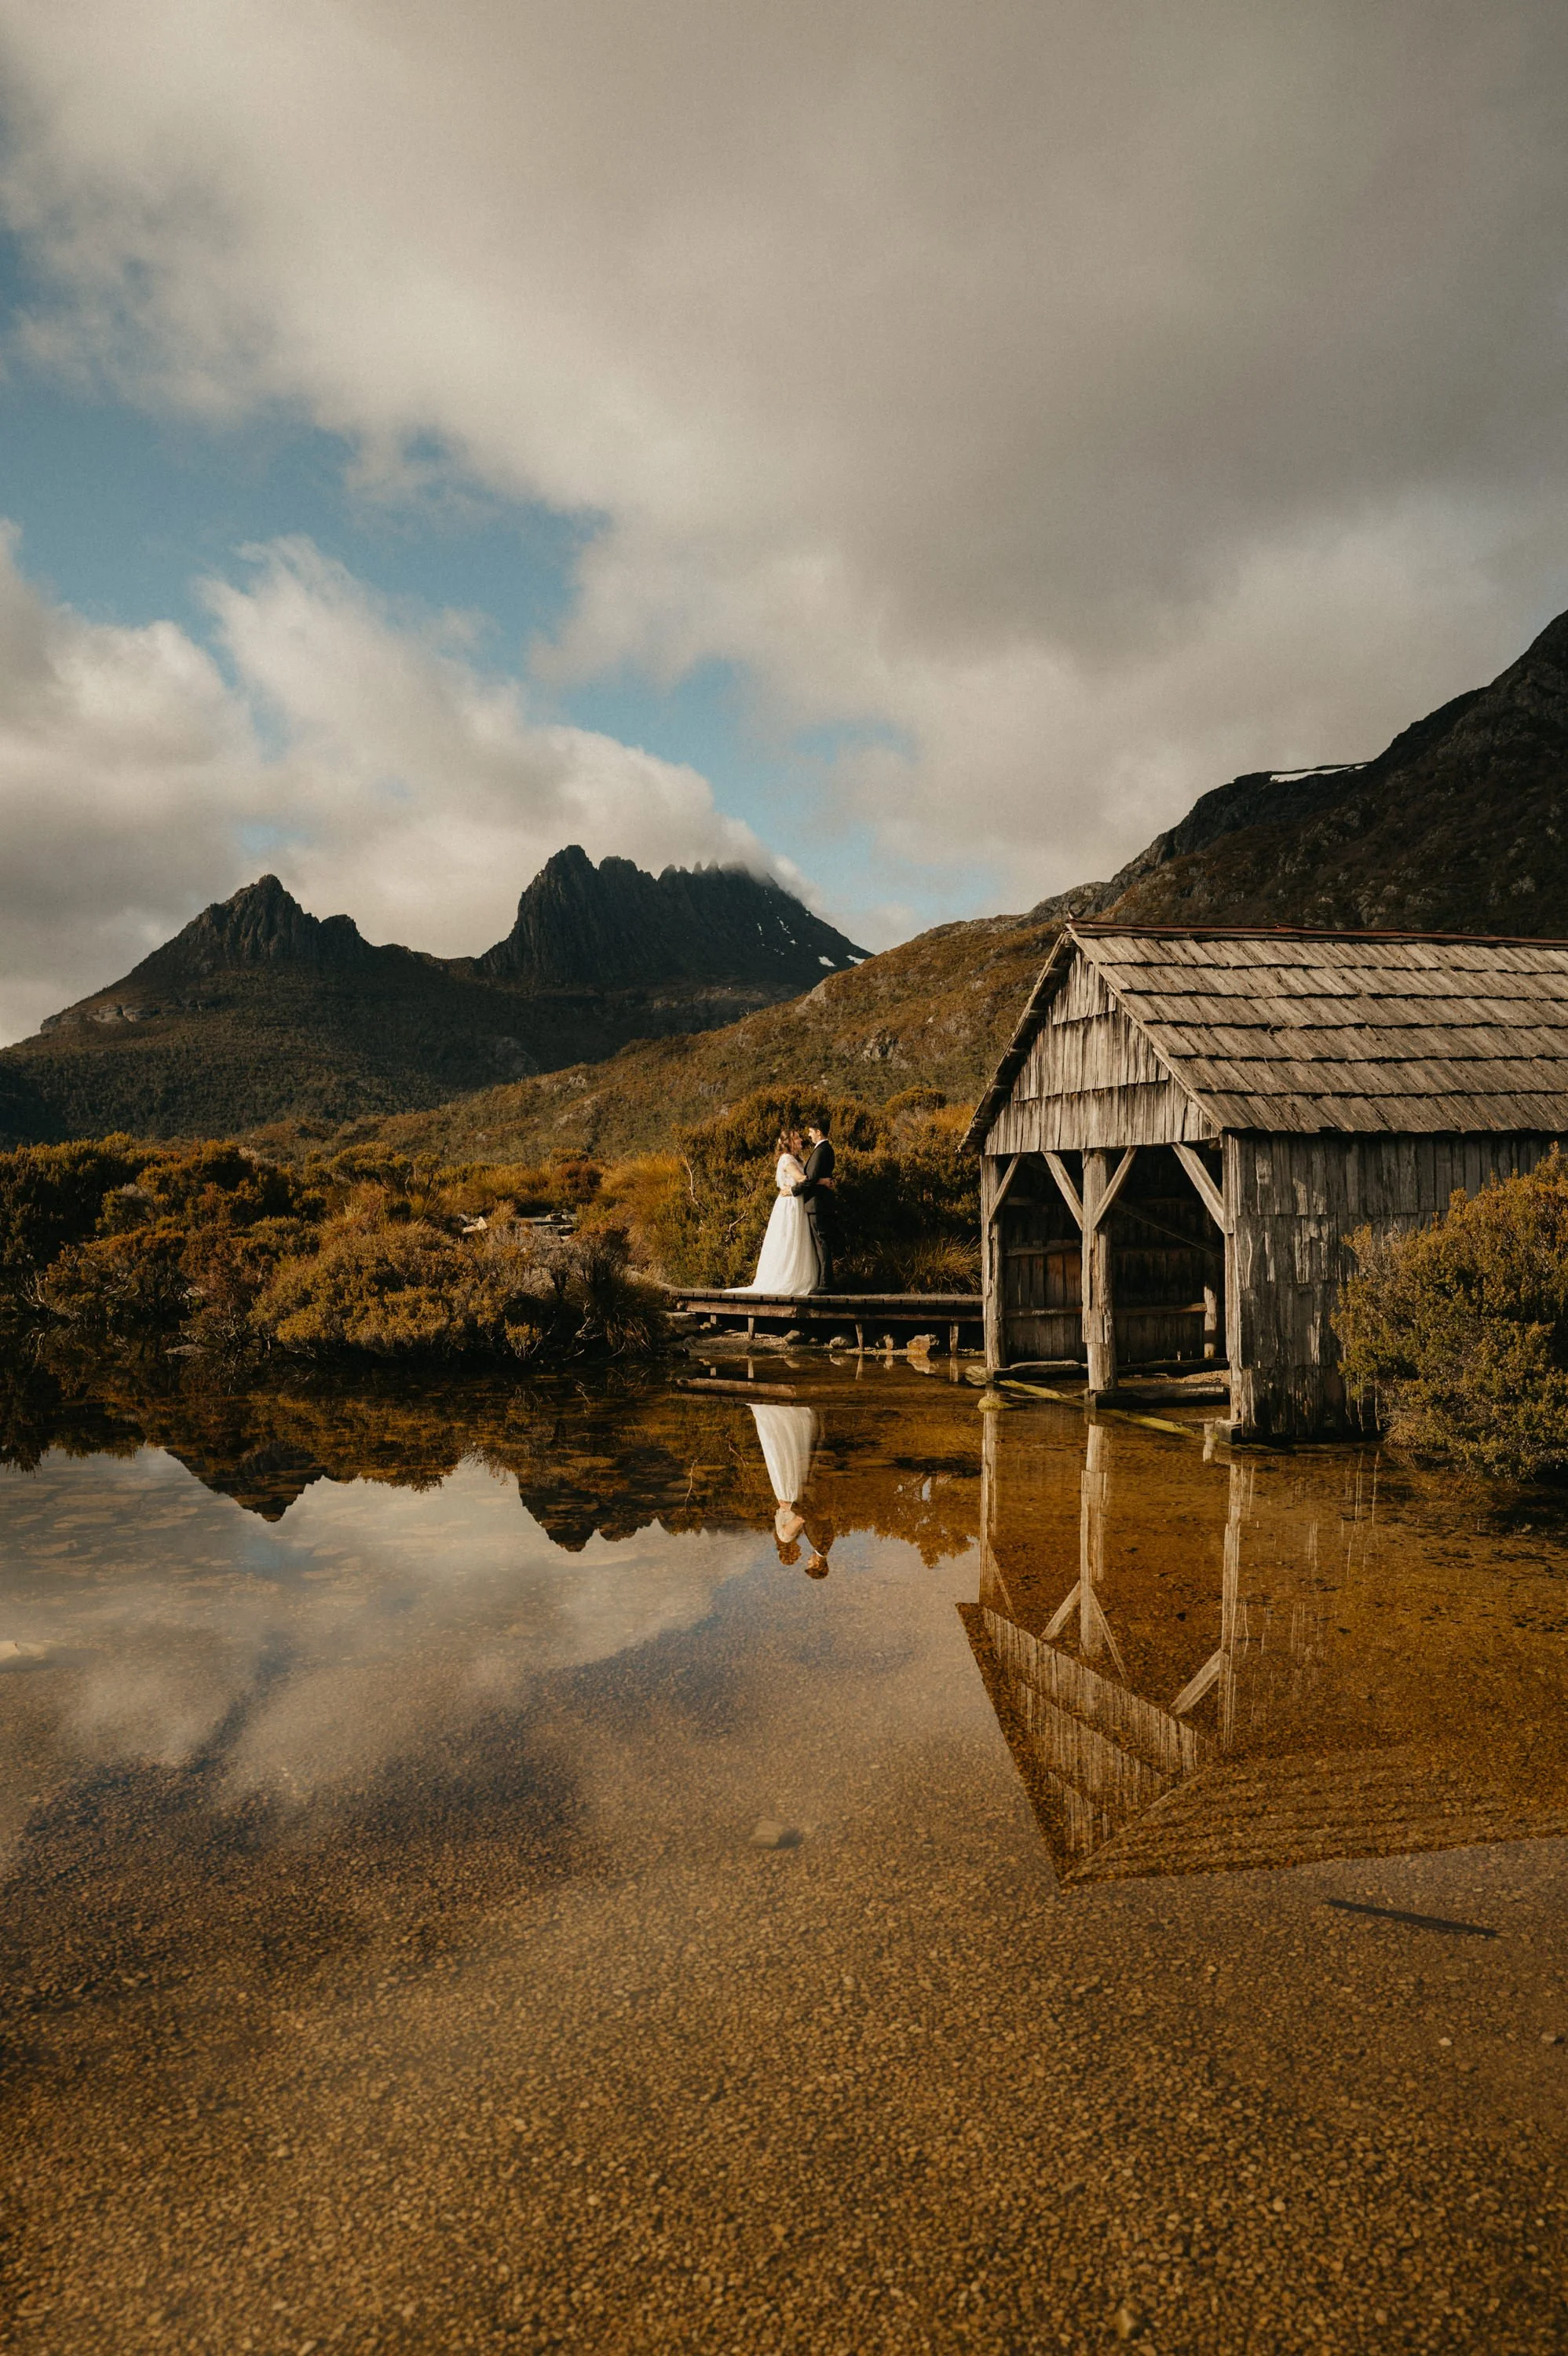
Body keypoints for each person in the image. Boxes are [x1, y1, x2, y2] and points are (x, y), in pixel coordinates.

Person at [727, 1129, 821, 1295]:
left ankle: (800, 1277)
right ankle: (786, 1278)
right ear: (789, 1142)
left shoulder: (798, 1158)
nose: (801, 1140)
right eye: (797, 1138)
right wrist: (823, 1182)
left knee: (799, 1238)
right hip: (790, 1204)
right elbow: (801, 1179)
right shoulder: (787, 1159)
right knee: (788, 1237)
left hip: (798, 1201)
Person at [792, 1118, 838, 1290]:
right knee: (821, 1241)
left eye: (811, 1132)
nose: (809, 1135)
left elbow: (810, 1178)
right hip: (818, 1202)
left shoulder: (822, 1150)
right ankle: (823, 1281)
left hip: (817, 1203)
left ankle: (825, 1283)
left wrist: (792, 1191)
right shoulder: (824, 1150)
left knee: (821, 1242)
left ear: (819, 1132)